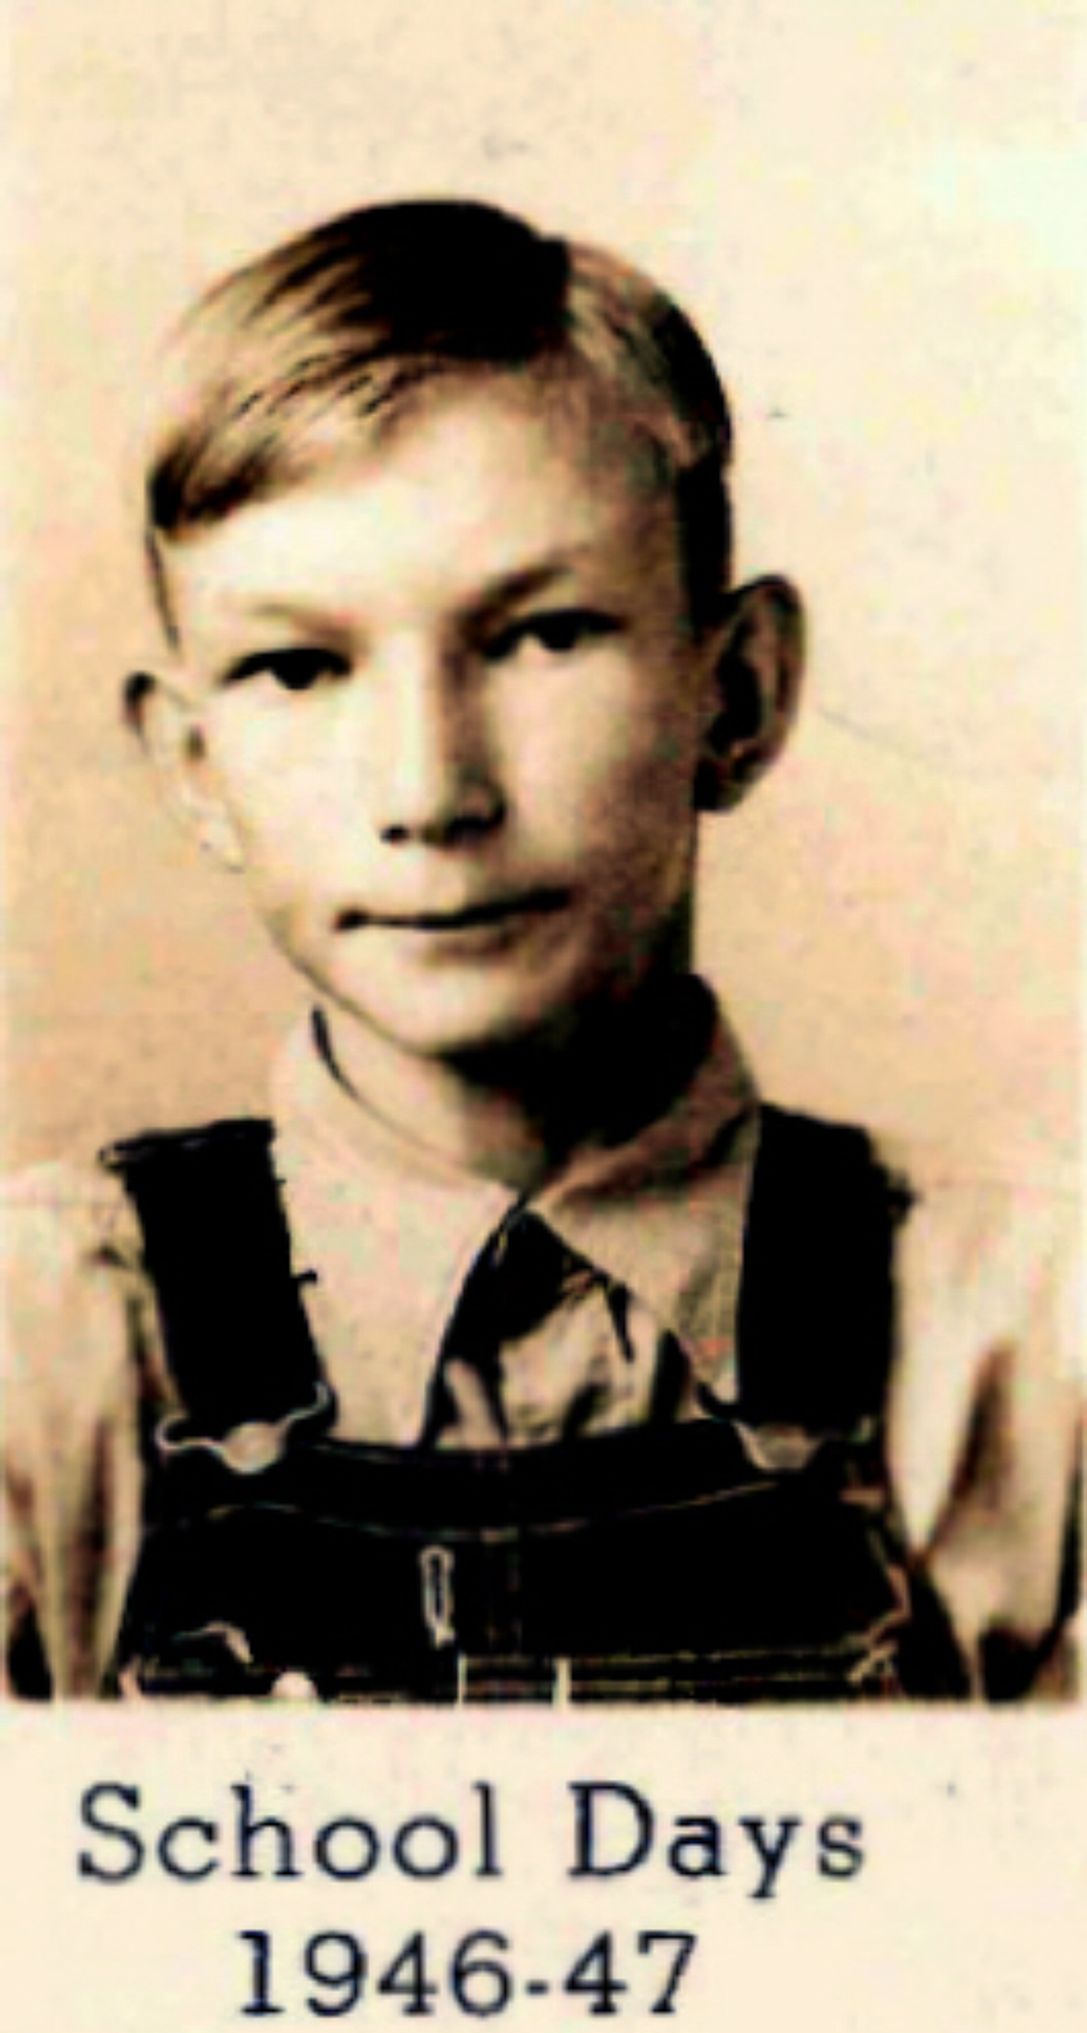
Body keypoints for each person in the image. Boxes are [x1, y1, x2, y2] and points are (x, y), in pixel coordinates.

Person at [2, 199, 1078, 1704]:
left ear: (739, 694)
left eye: (541, 636)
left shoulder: (1036, 1349)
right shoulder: (39, 1351)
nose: (430, 792)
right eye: (298, 667)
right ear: (194, 767)